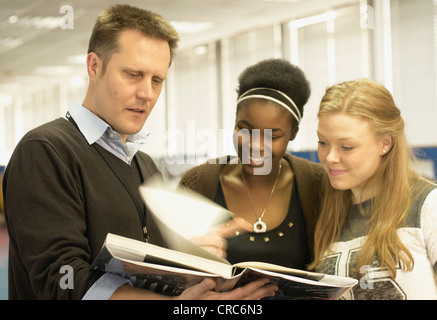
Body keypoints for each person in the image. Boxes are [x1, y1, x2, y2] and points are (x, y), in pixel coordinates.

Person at [2, 4, 277, 300]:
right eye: (133, 74)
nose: (147, 93)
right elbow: (63, 281)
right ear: (94, 66)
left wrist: (190, 269)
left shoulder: (144, 165)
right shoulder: (46, 151)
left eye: (157, 80)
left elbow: (140, 271)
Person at [179, 59, 325, 270]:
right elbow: (164, 278)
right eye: (244, 130)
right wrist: (188, 265)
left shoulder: (318, 184)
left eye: (272, 136)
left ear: (293, 133)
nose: (255, 146)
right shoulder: (198, 183)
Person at [309, 78, 437, 299]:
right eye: (323, 142)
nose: (330, 157)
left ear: (385, 143)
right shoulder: (327, 214)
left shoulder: (428, 205)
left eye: (346, 147)